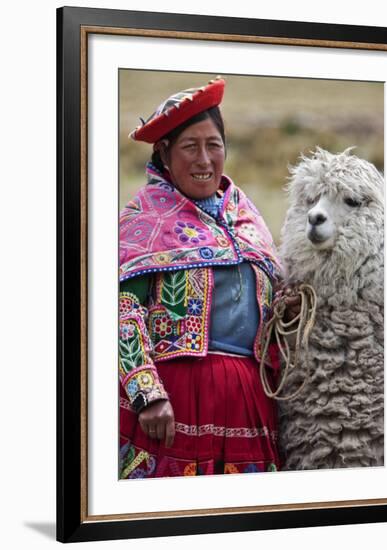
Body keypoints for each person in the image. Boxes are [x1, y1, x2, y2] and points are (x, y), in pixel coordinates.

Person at [119, 77, 300, 478]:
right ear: (164, 154)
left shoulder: (246, 216)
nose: (204, 159)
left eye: (213, 145)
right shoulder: (143, 220)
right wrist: (146, 393)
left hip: (248, 400)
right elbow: (121, 311)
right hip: (175, 400)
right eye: (190, 146)